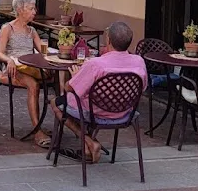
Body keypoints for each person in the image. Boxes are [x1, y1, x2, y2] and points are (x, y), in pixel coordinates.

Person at [51, 21, 147, 162]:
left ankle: (89, 142)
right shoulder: (139, 62)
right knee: (83, 100)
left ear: (108, 40)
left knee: (56, 103)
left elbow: (69, 88)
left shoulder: (95, 64)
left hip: (95, 113)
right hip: (124, 113)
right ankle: (86, 148)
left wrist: (75, 77)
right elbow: (142, 88)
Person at [0, 0, 52, 149]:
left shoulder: (32, 30)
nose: (34, 12)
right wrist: (9, 60)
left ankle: (46, 123)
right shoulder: (8, 28)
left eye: (34, 8)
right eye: (31, 8)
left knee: (58, 77)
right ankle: (37, 132)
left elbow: (42, 51)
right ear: (20, 10)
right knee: (34, 85)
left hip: (29, 68)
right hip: (12, 70)